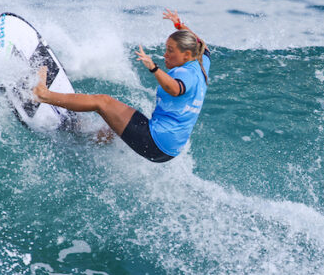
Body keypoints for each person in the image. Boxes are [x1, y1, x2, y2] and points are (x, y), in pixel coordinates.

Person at [32, 9, 210, 163]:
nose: (165, 55)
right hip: (168, 148)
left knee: (102, 102)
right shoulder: (201, 65)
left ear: (187, 54)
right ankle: (81, 137)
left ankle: (43, 95)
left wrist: (153, 68)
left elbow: (176, 89)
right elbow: (202, 45)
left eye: (170, 51)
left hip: (155, 141)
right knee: (114, 124)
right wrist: (180, 26)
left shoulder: (184, 74)